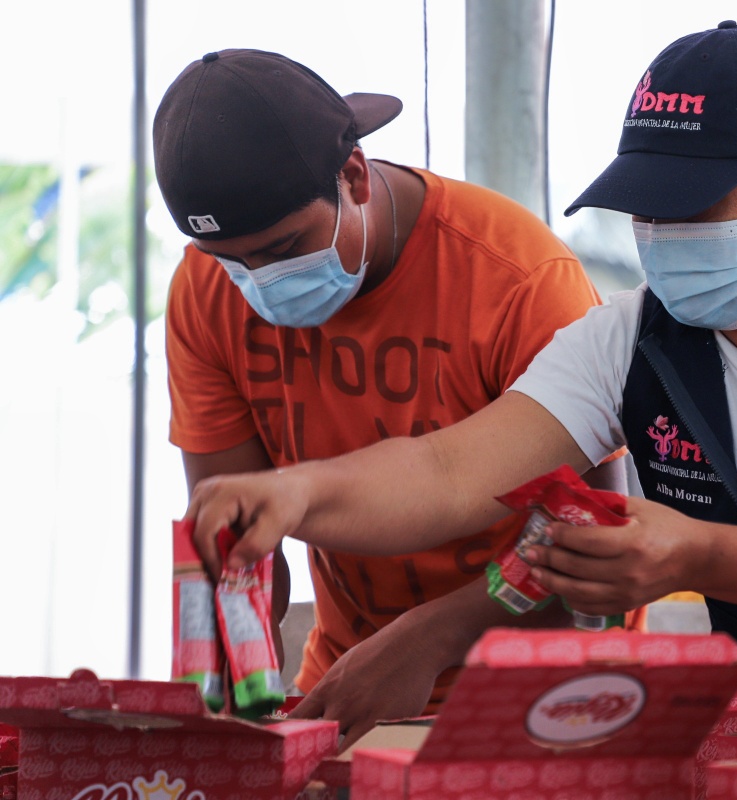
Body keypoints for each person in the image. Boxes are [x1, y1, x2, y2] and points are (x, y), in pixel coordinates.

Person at [184, 21, 737, 730]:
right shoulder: (631, 340)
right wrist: (296, 496)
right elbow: (449, 470)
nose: (662, 238)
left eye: (694, 208)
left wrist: (694, 553)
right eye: (646, 211)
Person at [154, 48, 623, 741]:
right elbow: (239, 541)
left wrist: (432, 638)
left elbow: (598, 531)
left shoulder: (517, 280)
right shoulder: (203, 294)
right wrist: (236, 687)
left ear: (354, 176)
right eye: (231, 262)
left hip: (547, 704)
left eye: (283, 249)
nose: (260, 284)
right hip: (347, 694)